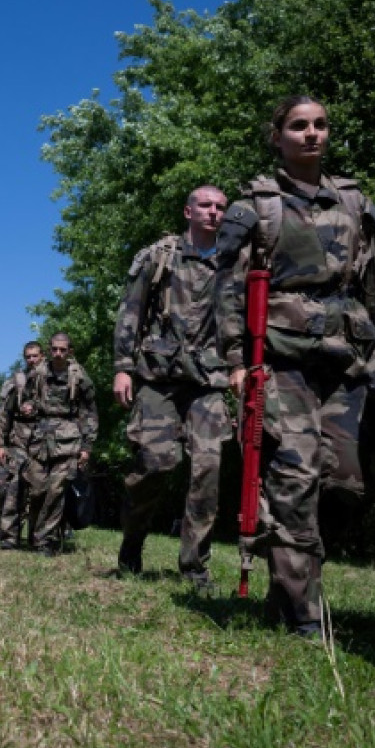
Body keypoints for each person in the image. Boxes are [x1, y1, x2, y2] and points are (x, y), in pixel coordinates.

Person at [218, 96, 375, 637]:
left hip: (348, 360)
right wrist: (235, 360)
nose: (311, 134)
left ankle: (286, 589)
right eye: (298, 126)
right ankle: (304, 615)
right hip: (280, 360)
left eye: (320, 125)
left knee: (349, 480)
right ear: (276, 136)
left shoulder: (354, 204)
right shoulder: (254, 206)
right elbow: (227, 289)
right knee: (295, 474)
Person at [113, 185, 232, 588]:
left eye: (220, 207)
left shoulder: (235, 262)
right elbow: (131, 311)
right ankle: (132, 542)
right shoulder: (158, 256)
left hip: (208, 380)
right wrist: (122, 367)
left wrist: (244, 367)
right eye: (205, 205)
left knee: (208, 467)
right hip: (158, 376)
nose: (213, 212)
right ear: (188, 211)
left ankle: (195, 566)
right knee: (155, 463)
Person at [23, 333, 98, 555]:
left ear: (70, 352)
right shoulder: (37, 373)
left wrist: (87, 446)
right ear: (49, 349)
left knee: (56, 490)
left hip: (68, 438)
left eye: (63, 350)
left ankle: (45, 541)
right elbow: (25, 397)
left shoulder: (80, 377)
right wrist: (28, 405)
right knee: (37, 489)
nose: (58, 354)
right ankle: (35, 536)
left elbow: (90, 413)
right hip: (40, 437)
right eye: (54, 349)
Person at [0, 341, 44, 550]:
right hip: (20, 442)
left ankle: (38, 537)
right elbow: (3, 414)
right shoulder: (16, 381)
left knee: (41, 491)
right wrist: (0, 444)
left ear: (43, 356)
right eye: (28, 357)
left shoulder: (55, 379)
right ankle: (9, 536)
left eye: (35, 356)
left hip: (46, 443)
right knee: (13, 488)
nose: (31, 360)